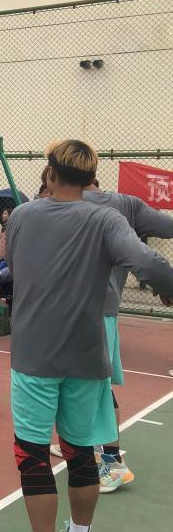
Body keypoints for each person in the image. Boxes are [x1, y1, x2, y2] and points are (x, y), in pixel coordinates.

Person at [0, 140, 173, 532]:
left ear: (50, 174)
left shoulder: (23, 216)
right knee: (80, 452)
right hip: (88, 355)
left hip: (36, 355)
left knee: (32, 455)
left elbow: (14, 269)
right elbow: (149, 263)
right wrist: (167, 288)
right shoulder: (108, 219)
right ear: (92, 178)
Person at [46, 178, 173, 492]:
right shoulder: (127, 204)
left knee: (94, 387)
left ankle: (113, 463)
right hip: (102, 309)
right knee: (93, 384)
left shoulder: (58, 205)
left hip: (80, 312)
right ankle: (82, 443)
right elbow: (164, 233)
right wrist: (162, 282)